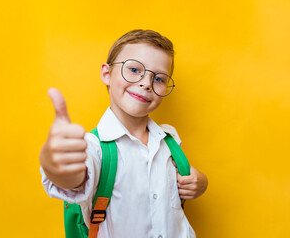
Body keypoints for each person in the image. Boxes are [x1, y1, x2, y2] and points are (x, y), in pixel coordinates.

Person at [40, 29, 208, 238]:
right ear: (106, 74)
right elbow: (72, 179)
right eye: (134, 69)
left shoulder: (169, 139)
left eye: (159, 79)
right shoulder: (93, 147)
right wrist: (54, 163)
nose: (146, 83)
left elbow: (180, 184)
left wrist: (200, 183)